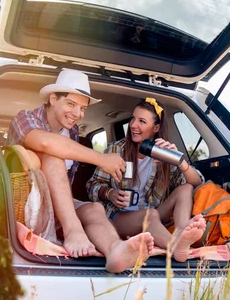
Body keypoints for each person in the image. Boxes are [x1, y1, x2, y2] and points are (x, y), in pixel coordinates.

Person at [6, 69, 154, 272]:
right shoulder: (25, 119)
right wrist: (101, 159)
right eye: (71, 104)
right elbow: (46, 142)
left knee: (95, 209)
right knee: (52, 156)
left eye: (83, 108)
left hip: (59, 208)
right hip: (26, 206)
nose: (78, 114)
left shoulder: (73, 131)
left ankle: (115, 250)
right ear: (53, 98)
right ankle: (73, 232)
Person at [87, 98, 206, 262]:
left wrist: (178, 161)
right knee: (149, 215)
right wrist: (109, 193)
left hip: (155, 215)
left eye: (142, 121)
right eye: (133, 119)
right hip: (120, 218)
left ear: (155, 128)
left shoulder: (163, 155)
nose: (133, 125)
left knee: (185, 189)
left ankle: (181, 233)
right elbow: (92, 185)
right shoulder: (116, 149)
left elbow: (197, 182)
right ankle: (175, 247)